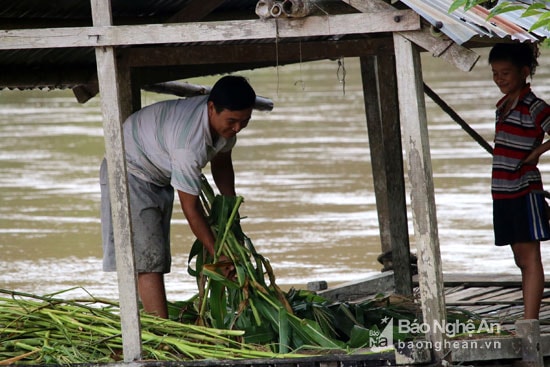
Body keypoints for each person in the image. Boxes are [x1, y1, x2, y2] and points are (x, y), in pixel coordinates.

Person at [100, 75, 256, 318]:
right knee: (149, 260)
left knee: (154, 253)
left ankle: (153, 322)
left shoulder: (222, 124)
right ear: (211, 108)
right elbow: (191, 209)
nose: (237, 128)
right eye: (232, 121)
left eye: (244, 121)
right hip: (129, 170)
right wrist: (218, 254)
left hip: (157, 168)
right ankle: (162, 334)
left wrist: (230, 211)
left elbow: (222, 163)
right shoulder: (188, 145)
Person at [489, 43, 550, 320]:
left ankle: (530, 322)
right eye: (495, 73)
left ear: (524, 72)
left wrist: (536, 152)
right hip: (502, 192)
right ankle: (529, 317)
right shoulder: (503, 106)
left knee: (529, 257)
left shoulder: (534, 106)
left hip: (523, 189)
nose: (500, 79)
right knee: (519, 259)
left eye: (506, 73)